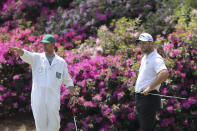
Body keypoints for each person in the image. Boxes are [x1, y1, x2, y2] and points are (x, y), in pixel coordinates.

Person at [8, 34, 78, 131]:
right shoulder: (36, 58)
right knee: (41, 127)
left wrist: (73, 95)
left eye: (46, 44)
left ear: (53, 44)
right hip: (38, 99)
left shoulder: (61, 62)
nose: (44, 46)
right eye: (43, 44)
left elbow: (68, 80)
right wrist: (19, 51)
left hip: (53, 100)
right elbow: (26, 54)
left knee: (54, 126)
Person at [135, 33, 169, 131]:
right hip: (142, 98)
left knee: (147, 128)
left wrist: (150, 88)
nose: (142, 45)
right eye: (140, 43)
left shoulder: (156, 58)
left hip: (148, 97)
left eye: (144, 43)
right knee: (145, 127)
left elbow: (164, 73)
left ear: (151, 43)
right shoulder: (145, 57)